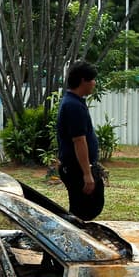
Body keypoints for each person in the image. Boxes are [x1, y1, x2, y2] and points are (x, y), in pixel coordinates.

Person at [56, 61, 105, 221]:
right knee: (83, 212)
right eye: (92, 79)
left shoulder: (74, 102)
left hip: (75, 167)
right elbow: (79, 141)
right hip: (77, 169)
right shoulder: (73, 106)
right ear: (83, 80)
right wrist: (87, 174)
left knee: (88, 208)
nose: (94, 83)